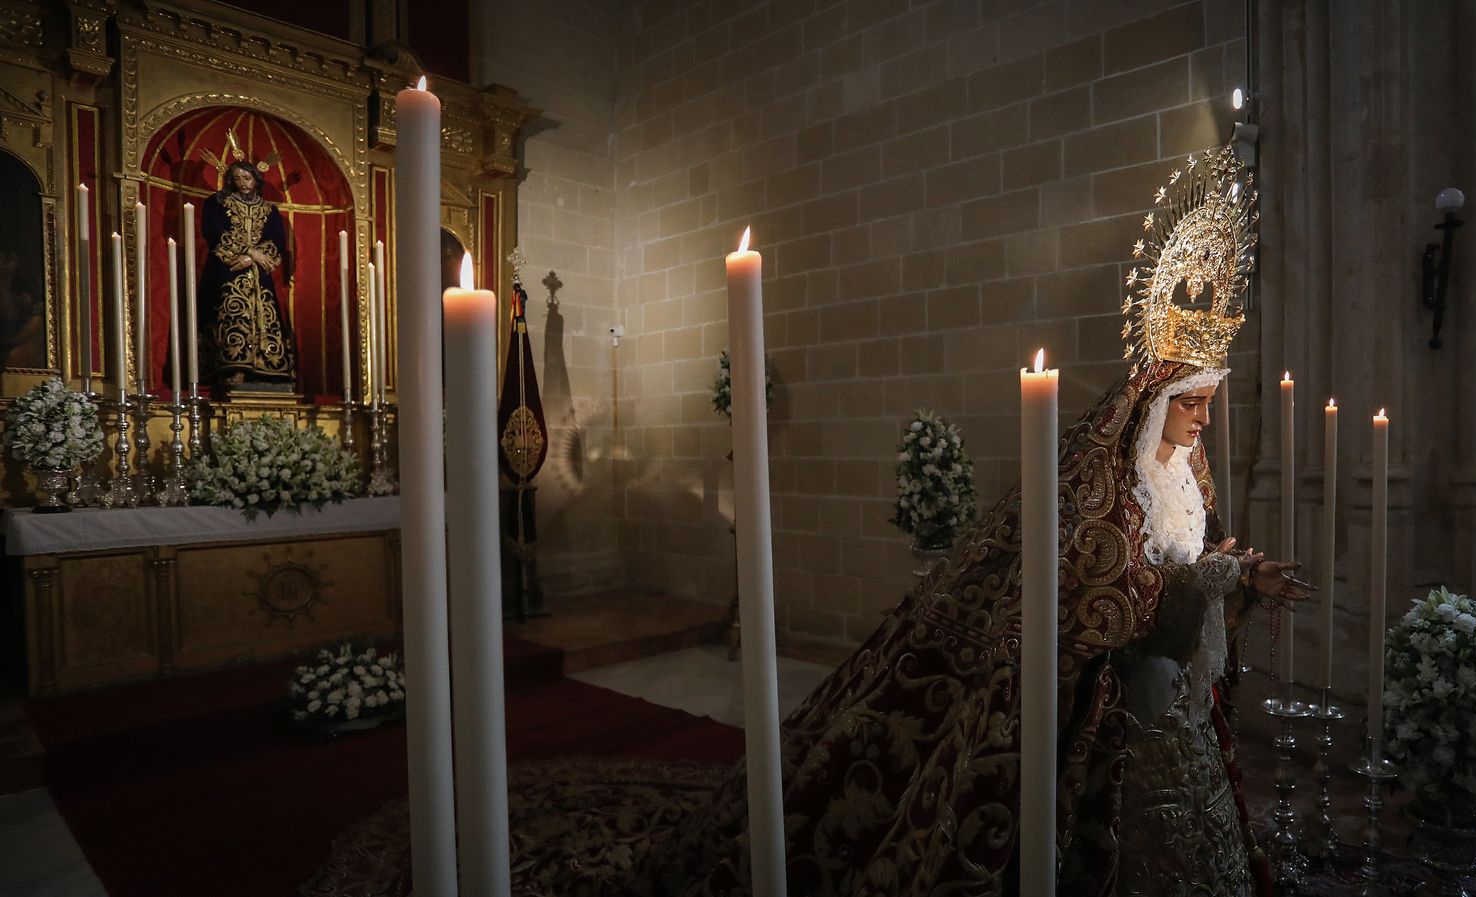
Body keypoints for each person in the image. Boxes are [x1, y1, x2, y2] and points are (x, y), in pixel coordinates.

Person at [305, 147, 1307, 897]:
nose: (1201, 420)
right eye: (1190, 403)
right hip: (1106, 702)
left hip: (1157, 706)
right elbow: (1095, 590)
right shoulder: (1099, 483)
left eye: (1208, 404)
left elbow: (1168, 568)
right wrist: (1210, 582)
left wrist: (1227, 572)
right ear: (1148, 407)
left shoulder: (1185, 476)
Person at [198, 161, 295, 388]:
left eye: (247, 178)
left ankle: (264, 368)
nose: (243, 183)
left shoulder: (269, 210)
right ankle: (234, 366)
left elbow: (277, 240)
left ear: (256, 180)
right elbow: (214, 231)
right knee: (233, 312)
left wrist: (253, 259)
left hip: (258, 273)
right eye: (238, 178)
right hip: (227, 268)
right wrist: (249, 251)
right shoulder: (218, 203)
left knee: (264, 316)